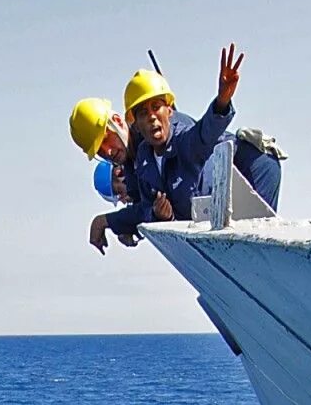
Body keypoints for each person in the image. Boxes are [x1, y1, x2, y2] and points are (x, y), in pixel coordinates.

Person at [89, 45, 244, 254]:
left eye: (157, 107)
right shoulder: (143, 159)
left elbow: (205, 133)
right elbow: (147, 207)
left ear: (169, 111)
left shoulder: (185, 140)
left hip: (245, 182)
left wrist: (222, 100)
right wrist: (157, 216)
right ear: (136, 123)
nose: (152, 116)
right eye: (143, 112)